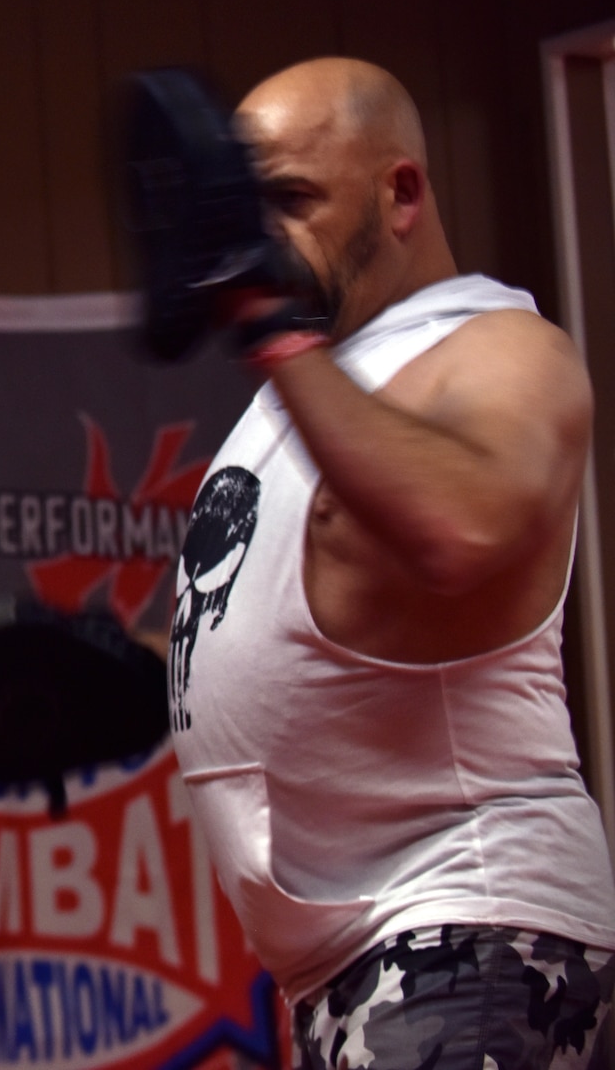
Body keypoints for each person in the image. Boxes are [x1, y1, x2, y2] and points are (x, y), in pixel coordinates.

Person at [167, 56, 615, 1069]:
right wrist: (122, 666)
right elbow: (314, 622)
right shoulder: (323, 383)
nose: (258, 244)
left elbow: (456, 530)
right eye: (244, 213)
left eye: (288, 201)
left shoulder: (497, 348)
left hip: (468, 927)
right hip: (357, 962)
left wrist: (270, 338)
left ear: (398, 192)